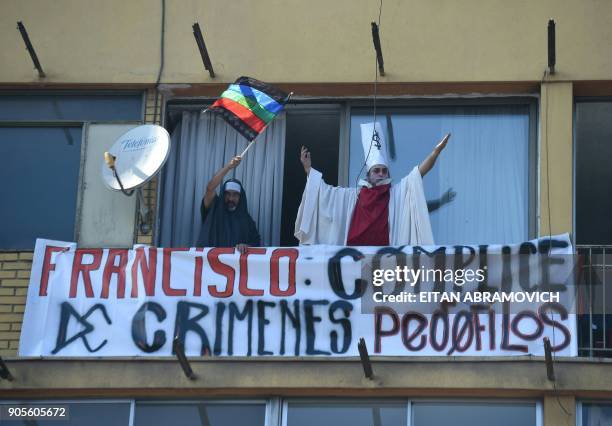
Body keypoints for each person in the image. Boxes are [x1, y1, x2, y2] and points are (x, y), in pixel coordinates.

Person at [294, 122, 451, 246]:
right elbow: (323, 193)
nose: (381, 173)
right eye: (377, 170)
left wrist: (435, 153)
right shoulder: (352, 196)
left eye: (384, 171)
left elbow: (418, 174)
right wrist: (308, 169)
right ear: (368, 175)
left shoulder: (395, 194)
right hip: (354, 257)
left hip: (385, 260)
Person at [197, 156, 260, 253]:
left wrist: (246, 246)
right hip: (209, 266)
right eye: (228, 194)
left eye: (235, 195)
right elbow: (210, 188)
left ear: (240, 197)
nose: (231, 198)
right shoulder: (214, 209)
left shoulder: (247, 221)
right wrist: (229, 167)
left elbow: (256, 243)